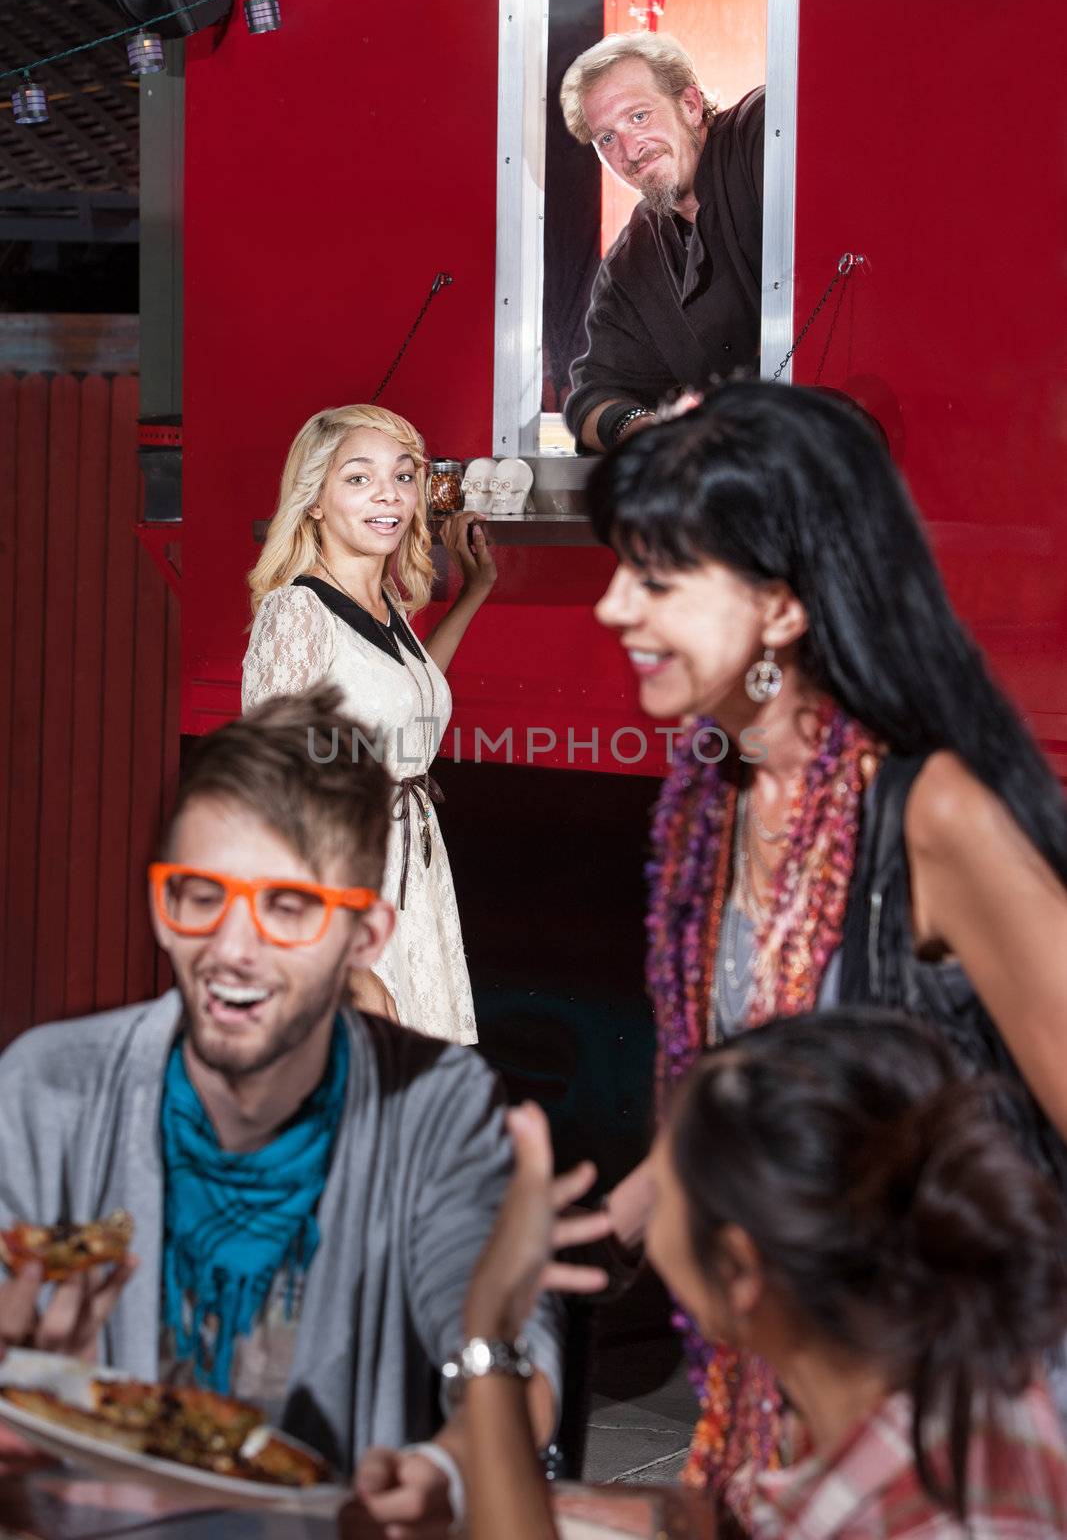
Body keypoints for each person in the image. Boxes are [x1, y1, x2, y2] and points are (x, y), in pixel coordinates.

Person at [584, 382, 1067, 1495]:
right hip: (804, 1389)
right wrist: (592, 1222)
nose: (613, 608)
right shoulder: (718, 803)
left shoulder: (929, 815)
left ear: (782, 608)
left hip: (969, 1405)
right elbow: (740, 1079)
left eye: (655, 579)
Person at [0, 689, 562, 1540]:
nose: (230, 948)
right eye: (197, 894)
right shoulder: (50, 1089)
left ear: (367, 937)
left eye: (287, 909)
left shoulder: (437, 1107)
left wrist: (443, 1469)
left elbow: (521, 1365)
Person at [460, 1014, 1067, 1538]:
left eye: (664, 1191)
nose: (644, 1214)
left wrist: (491, 1325)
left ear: (739, 1269)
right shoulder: (959, 1385)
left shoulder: (923, 1516)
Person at [243, 404, 496, 1045]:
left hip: (409, 871)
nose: (389, 494)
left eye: (404, 476)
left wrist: (473, 592)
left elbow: (406, 695)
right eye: (358, 478)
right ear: (316, 501)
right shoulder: (296, 611)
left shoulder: (383, 604)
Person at [559, 32, 763, 452]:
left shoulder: (762, 133)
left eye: (638, 117)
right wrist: (639, 427)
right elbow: (591, 398)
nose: (630, 151)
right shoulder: (631, 261)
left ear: (689, 105)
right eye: (607, 138)